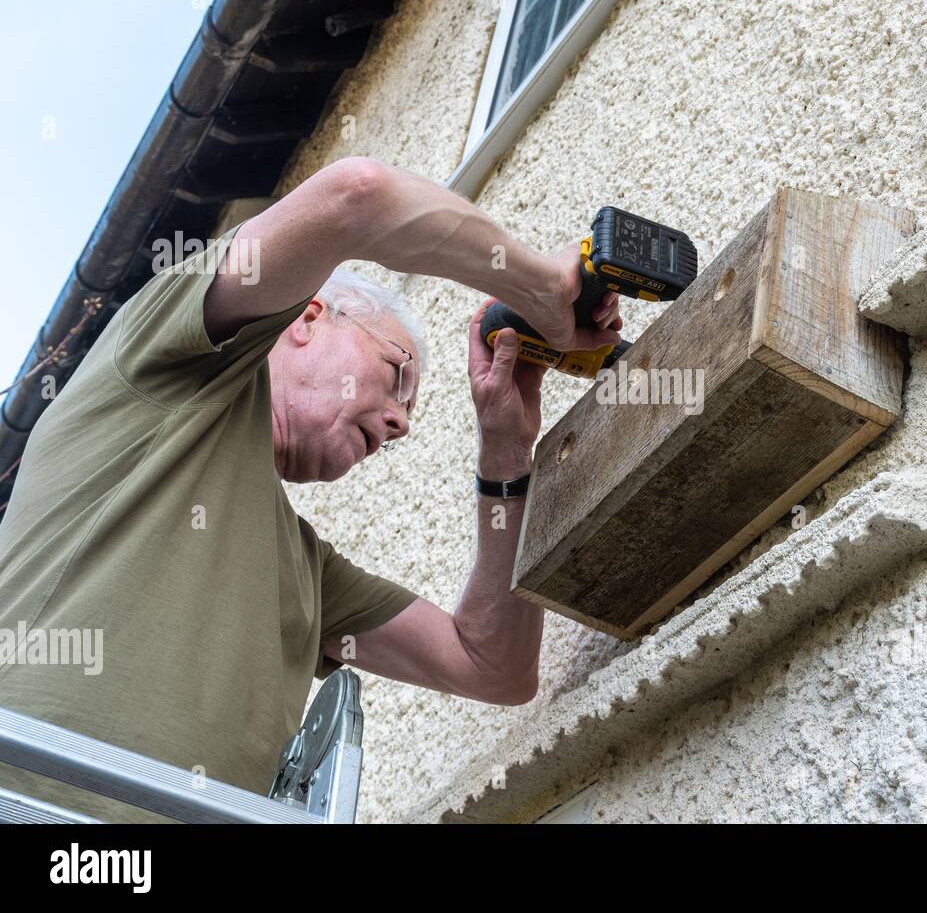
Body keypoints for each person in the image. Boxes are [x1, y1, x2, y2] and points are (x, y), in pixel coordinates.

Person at [0, 157, 622, 821]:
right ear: (308, 317)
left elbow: (492, 666)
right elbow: (357, 197)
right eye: (396, 373)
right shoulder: (165, 363)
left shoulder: (307, 575)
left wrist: (506, 449)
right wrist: (541, 287)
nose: (401, 422)